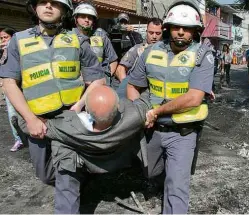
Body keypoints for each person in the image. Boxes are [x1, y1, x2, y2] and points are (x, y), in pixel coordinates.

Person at [0, 0, 106, 213]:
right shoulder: (18, 41)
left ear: (65, 10)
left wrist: (78, 107)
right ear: (35, 7)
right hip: (36, 120)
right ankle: (80, 176)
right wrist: (30, 119)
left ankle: (72, 187)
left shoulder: (77, 40)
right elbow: (9, 83)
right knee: (45, 174)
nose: (48, 6)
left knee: (67, 173)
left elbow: (98, 79)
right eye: (43, 2)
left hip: (69, 119)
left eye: (55, 3)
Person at [127, 0, 214, 213]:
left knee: (177, 186)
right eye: (176, 27)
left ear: (195, 31)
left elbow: (194, 98)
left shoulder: (203, 55)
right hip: (151, 130)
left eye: (187, 29)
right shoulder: (150, 52)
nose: (181, 33)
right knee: (150, 172)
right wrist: (139, 112)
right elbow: (132, 86)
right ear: (168, 28)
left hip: (183, 133)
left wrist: (156, 112)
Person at [15, 85, 151, 179]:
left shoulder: (67, 128)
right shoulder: (134, 118)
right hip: (117, 161)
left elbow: (29, 125)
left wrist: (29, 117)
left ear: (88, 111)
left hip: (87, 164)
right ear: (118, 108)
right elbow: (146, 102)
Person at [115, 17, 163, 97]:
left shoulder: (168, 51)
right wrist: (129, 87)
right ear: (146, 32)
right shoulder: (137, 49)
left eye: (158, 33)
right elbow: (120, 69)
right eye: (151, 33)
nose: (154, 36)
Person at [73, 2, 118, 84]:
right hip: (78, 85)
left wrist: (106, 79)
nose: (86, 20)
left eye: (90, 18)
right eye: (83, 17)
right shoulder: (68, 37)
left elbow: (113, 60)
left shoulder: (101, 35)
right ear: (76, 19)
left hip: (100, 83)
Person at [0, 28, 25, 152]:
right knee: (12, 115)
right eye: (2, 38)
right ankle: (18, 139)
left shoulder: (20, 49)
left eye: (6, 37)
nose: (4, 40)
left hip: (23, 86)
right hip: (10, 89)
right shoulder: (2, 52)